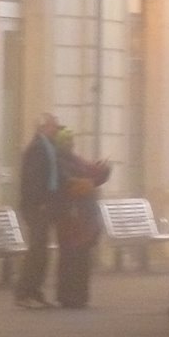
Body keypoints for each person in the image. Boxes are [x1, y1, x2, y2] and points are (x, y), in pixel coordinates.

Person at [54, 128, 111, 309]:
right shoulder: (58, 162)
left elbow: (93, 173)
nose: (70, 144)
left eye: (71, 141)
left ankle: (78, 295)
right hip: (70, 215)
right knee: (71, 257)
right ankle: (69, 295)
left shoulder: (74, 160)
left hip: (83, 217)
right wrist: (88, 182)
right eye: (66, 141)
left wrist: (103, 169)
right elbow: (68, 183)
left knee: (80, 257)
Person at [14, 113, 63, 308]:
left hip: (45, 205)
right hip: (37, 207)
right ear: (44, 128)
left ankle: (35, 291)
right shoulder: (37, 148)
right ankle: (24, 293)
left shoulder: (48, 147)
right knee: (36, 250)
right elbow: (33, 179)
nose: (56, 130)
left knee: (42, 250)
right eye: (53, 127)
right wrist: (39, 202)